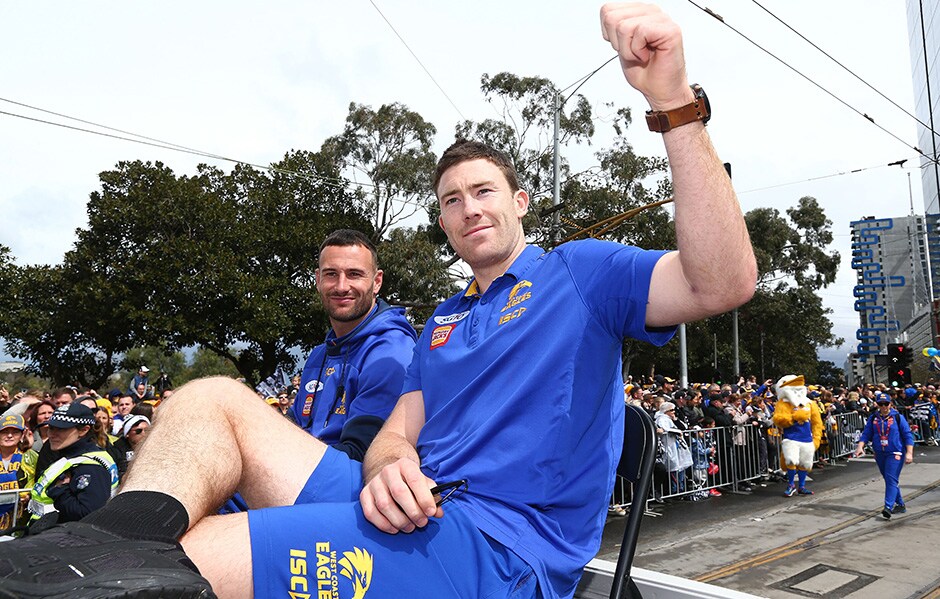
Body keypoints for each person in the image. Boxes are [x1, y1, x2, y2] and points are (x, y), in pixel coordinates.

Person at [0, 5, 756, 598]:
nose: (469, 208)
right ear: (442, 222)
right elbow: (399, 430)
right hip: (413, 510)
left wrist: (674, 104)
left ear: (521, 200)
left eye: (484, 190)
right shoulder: (443, 320)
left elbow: (722, 281)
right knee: (209, 399)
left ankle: (107, 567)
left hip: (495, 553)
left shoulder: (581, 274)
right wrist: (389, 462)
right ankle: (106, 545)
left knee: (194, 555)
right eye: (452, 199)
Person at [292, 229, 417, 461]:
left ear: (376, 281)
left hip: (348, 482)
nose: (341, 286)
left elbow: (362, 451)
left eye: (354, 274)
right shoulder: (319, 355)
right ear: (318, 280)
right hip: (298, 472)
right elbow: (289, 427)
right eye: (331, 274)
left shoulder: (391, 352)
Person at [28, 404, 119, 527]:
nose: (51, 434)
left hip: (62, 540)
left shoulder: (90, 467)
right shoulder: (70, 454)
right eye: (51, 428)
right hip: (44, 535)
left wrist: (59, 490)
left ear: (83, 430)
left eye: (60, 429)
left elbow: (88, 514)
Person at [853, 393, 915, 520]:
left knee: (891, 479)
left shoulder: (898, 417)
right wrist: (860, 446)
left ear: (890, 404)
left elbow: (907, 435)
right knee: (888, 479)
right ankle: (900, 504)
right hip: (880, 452)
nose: (883, 407)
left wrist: (909, 453)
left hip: (895, 452)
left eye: (886, 404)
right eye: (880, 404)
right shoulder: (873, 418)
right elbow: (866, 434)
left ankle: (888, 507)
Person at [0, 414, 34, 531]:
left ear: (22, 435)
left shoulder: (31, 457)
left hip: (21, 515)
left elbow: (37, 480)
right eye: (4, 432)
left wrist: (29, 494)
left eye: (15, 432)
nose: (9, 436)